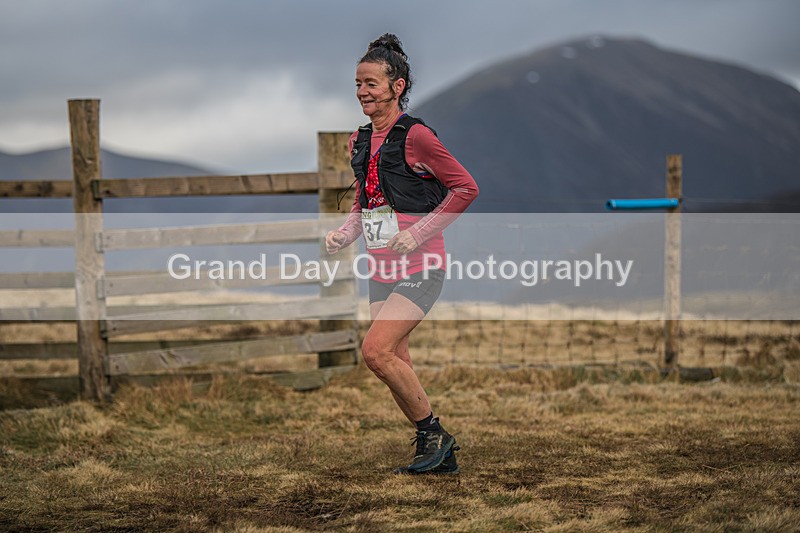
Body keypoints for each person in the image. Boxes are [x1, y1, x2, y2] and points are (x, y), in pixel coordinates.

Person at [326, 33, 478, 475]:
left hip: (422, 264)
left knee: (375, 352)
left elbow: (465, 188)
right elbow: (366, 199)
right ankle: (434, 453)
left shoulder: (417, 137)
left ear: (398, 86)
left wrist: (419, 234)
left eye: (371, 83)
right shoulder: (357, 140)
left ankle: (436, 435)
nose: (361, 92)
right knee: (396, 360)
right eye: (357, 84)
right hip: (381, 266)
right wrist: (346, 232)